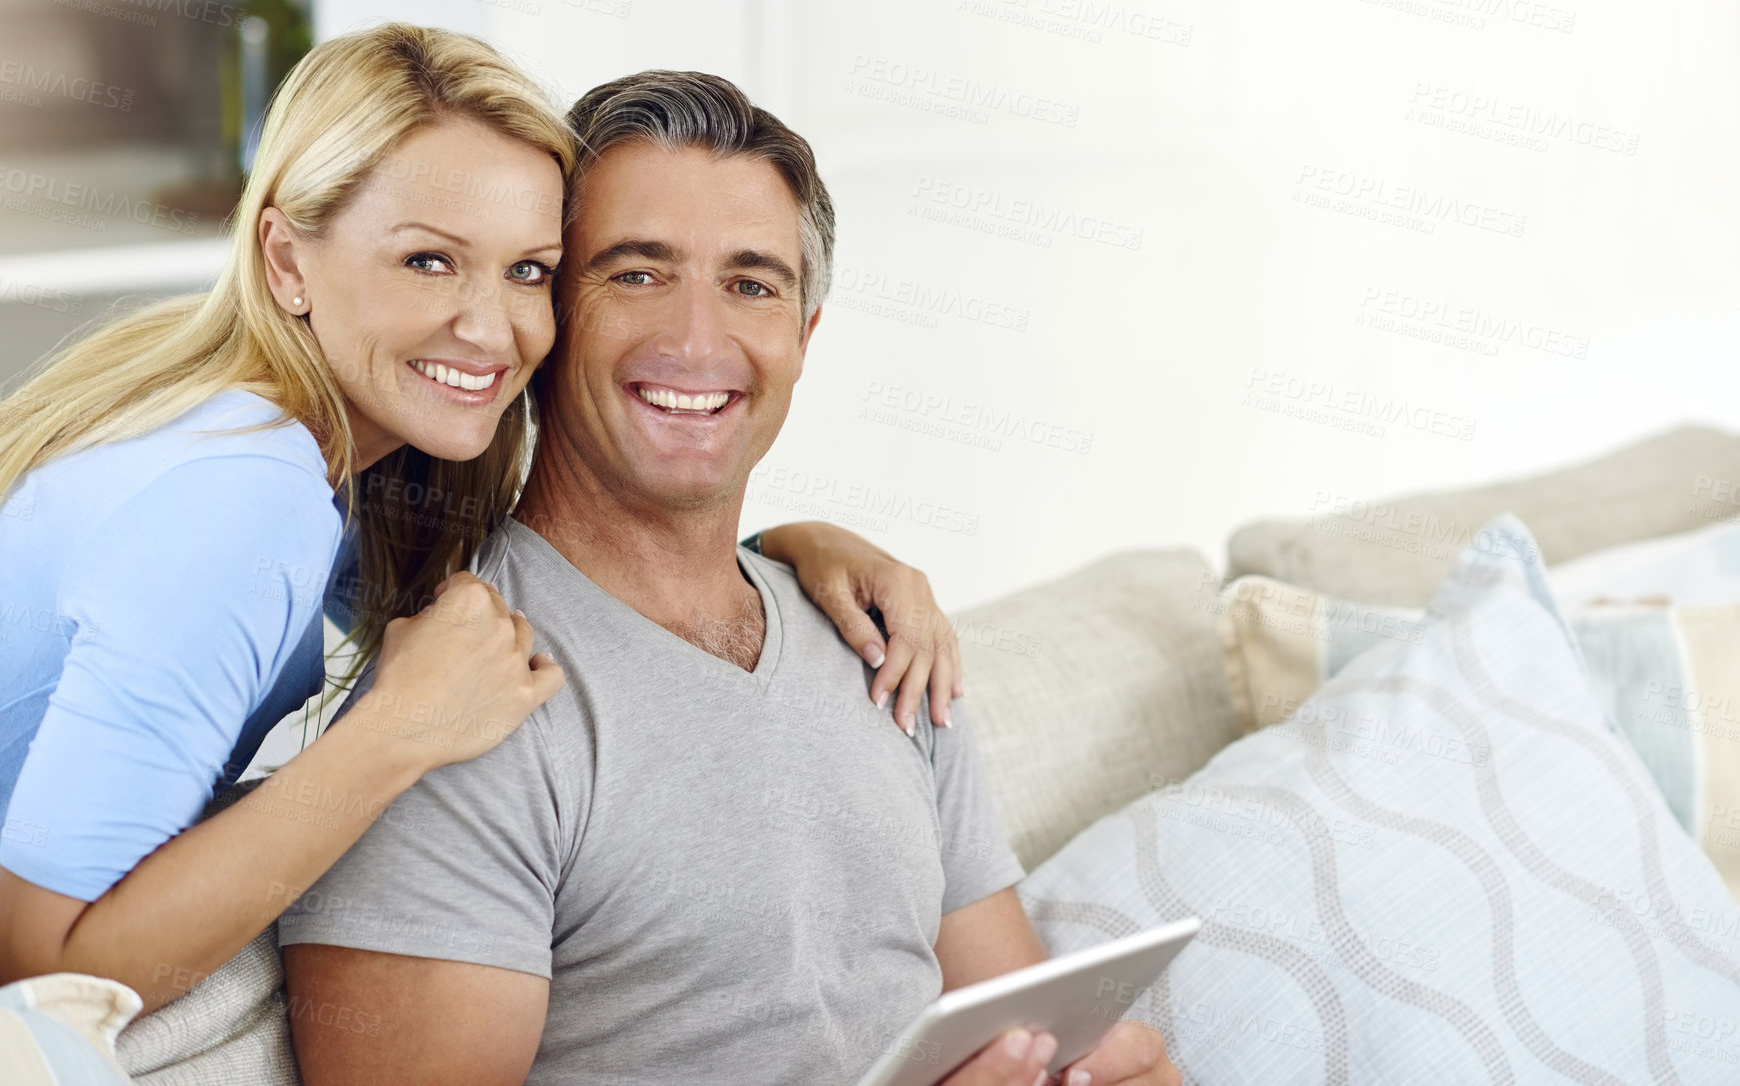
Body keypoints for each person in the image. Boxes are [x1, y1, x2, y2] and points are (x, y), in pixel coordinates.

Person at [0, 24, 966, 1043]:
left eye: (528, 271)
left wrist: (788, 548)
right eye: (428, 261)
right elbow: (46, 968)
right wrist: (399, 731)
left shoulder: (318, 455)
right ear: (288, 259)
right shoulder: (246, 495)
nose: (491, 327)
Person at [280, 69, 1179, 1086]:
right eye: (636, 273)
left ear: (803, 338)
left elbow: (1021, 1030)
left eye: (751, 284)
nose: (697, 341)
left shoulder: (884, 645)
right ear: (546, 311)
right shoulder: (456, 700)